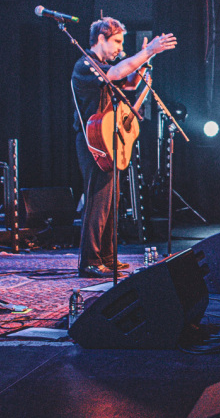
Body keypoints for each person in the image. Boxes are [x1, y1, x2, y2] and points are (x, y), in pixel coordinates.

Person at [71, 17, 177, 277]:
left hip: (108, 137)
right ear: (101, 39)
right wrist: (148, 50)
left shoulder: (105, 65)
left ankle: (107, 255)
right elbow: (117, 74)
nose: (120, 47)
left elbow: (127, 83)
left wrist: (145, 62)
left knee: (112, 200)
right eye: (116, 41)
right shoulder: (86, 63)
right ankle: (90, 262)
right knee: (98, 200)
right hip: (92, 139)